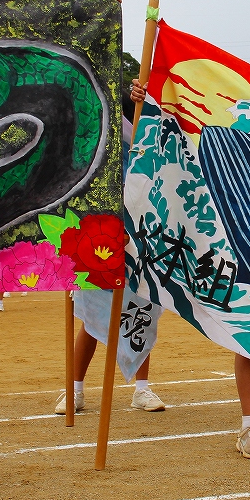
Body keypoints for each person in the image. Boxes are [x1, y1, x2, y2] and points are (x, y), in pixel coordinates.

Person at [56, 78, 166, 415]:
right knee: (93, 313)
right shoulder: (86, 132)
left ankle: (142, 389)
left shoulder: (140, 131)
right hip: (97, 234)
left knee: (142, 309)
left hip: (140, 231)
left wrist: (141, 99)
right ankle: (74, 389)